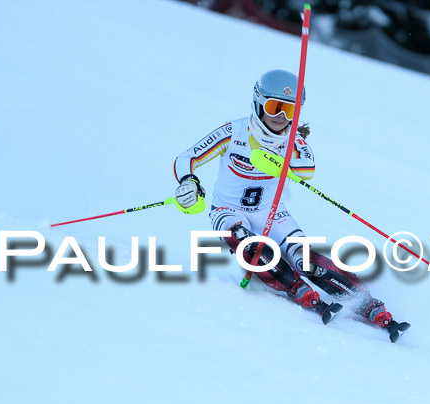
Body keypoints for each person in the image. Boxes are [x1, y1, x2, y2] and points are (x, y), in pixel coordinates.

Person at [172, 69, 406, 334]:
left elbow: (307, 170)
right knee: (246, 241)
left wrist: (275, 159)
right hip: (228, 210)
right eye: (275, 107)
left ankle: (366, 302)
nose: (281, 118)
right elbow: (187, 157)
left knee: (307, 261)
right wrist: (189, 181)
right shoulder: (234, 131)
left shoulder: (293, 140)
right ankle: (294, 287)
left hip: (273, 213)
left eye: (290, 111)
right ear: (259, 103)